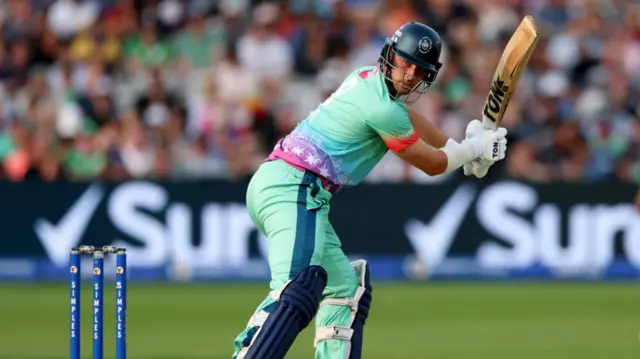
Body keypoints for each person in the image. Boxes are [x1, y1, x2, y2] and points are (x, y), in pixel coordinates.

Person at [231, 22, 508, 359]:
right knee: (295, 288)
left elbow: (410, 119)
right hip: (293, 187)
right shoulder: (381, 108)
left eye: (419, 70)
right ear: (390, 55)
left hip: (289, 187)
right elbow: (433, 165)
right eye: (405, 62)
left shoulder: (367, 79)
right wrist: (472, 151)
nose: (409, 74)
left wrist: (460, 146)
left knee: (345, 288)